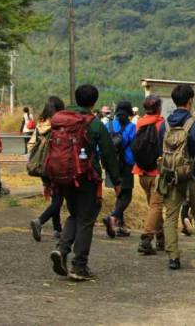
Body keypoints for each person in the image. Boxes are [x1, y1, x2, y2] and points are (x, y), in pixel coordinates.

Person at [49, 84, 121, 282]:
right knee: (86, 220)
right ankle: (79, 266)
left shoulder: (62, 119)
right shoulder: (94, 123)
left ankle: (62, 250)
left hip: (64, 176)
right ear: (94, 102)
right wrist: (116, 181)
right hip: (87, 178)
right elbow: (108, 154)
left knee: (74, 214)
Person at [157, 84, 195, 270]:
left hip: (171, 177)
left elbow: (162, 150)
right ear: (190, 101)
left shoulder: (164, 125)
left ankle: (173, 256)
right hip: (194, 176)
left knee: (171, 216)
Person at [28, 96, 66, 242]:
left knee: (54, 196)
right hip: (55, 165)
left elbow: (31, 145)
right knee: (58, 199)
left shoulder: (40, 124)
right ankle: (40, 221)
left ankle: (57, 229)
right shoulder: (59, 124)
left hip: (42, 166)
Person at [133, 95, 166, 255]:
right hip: (156, 171)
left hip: (141, 171)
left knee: (154, 206)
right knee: (156, 206)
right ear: (158, 108)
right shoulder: (161, 124)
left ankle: (161, 238)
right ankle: (146, 239)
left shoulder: (139, 123)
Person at [102, 101, 136, 238]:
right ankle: (113, 217)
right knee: (127, 196)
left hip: (111, 165)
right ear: (129, 113)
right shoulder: (132, 127)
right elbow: (134, 146)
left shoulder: (108, 125)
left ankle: (120, 225)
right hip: (126, 164)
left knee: (119, 194)